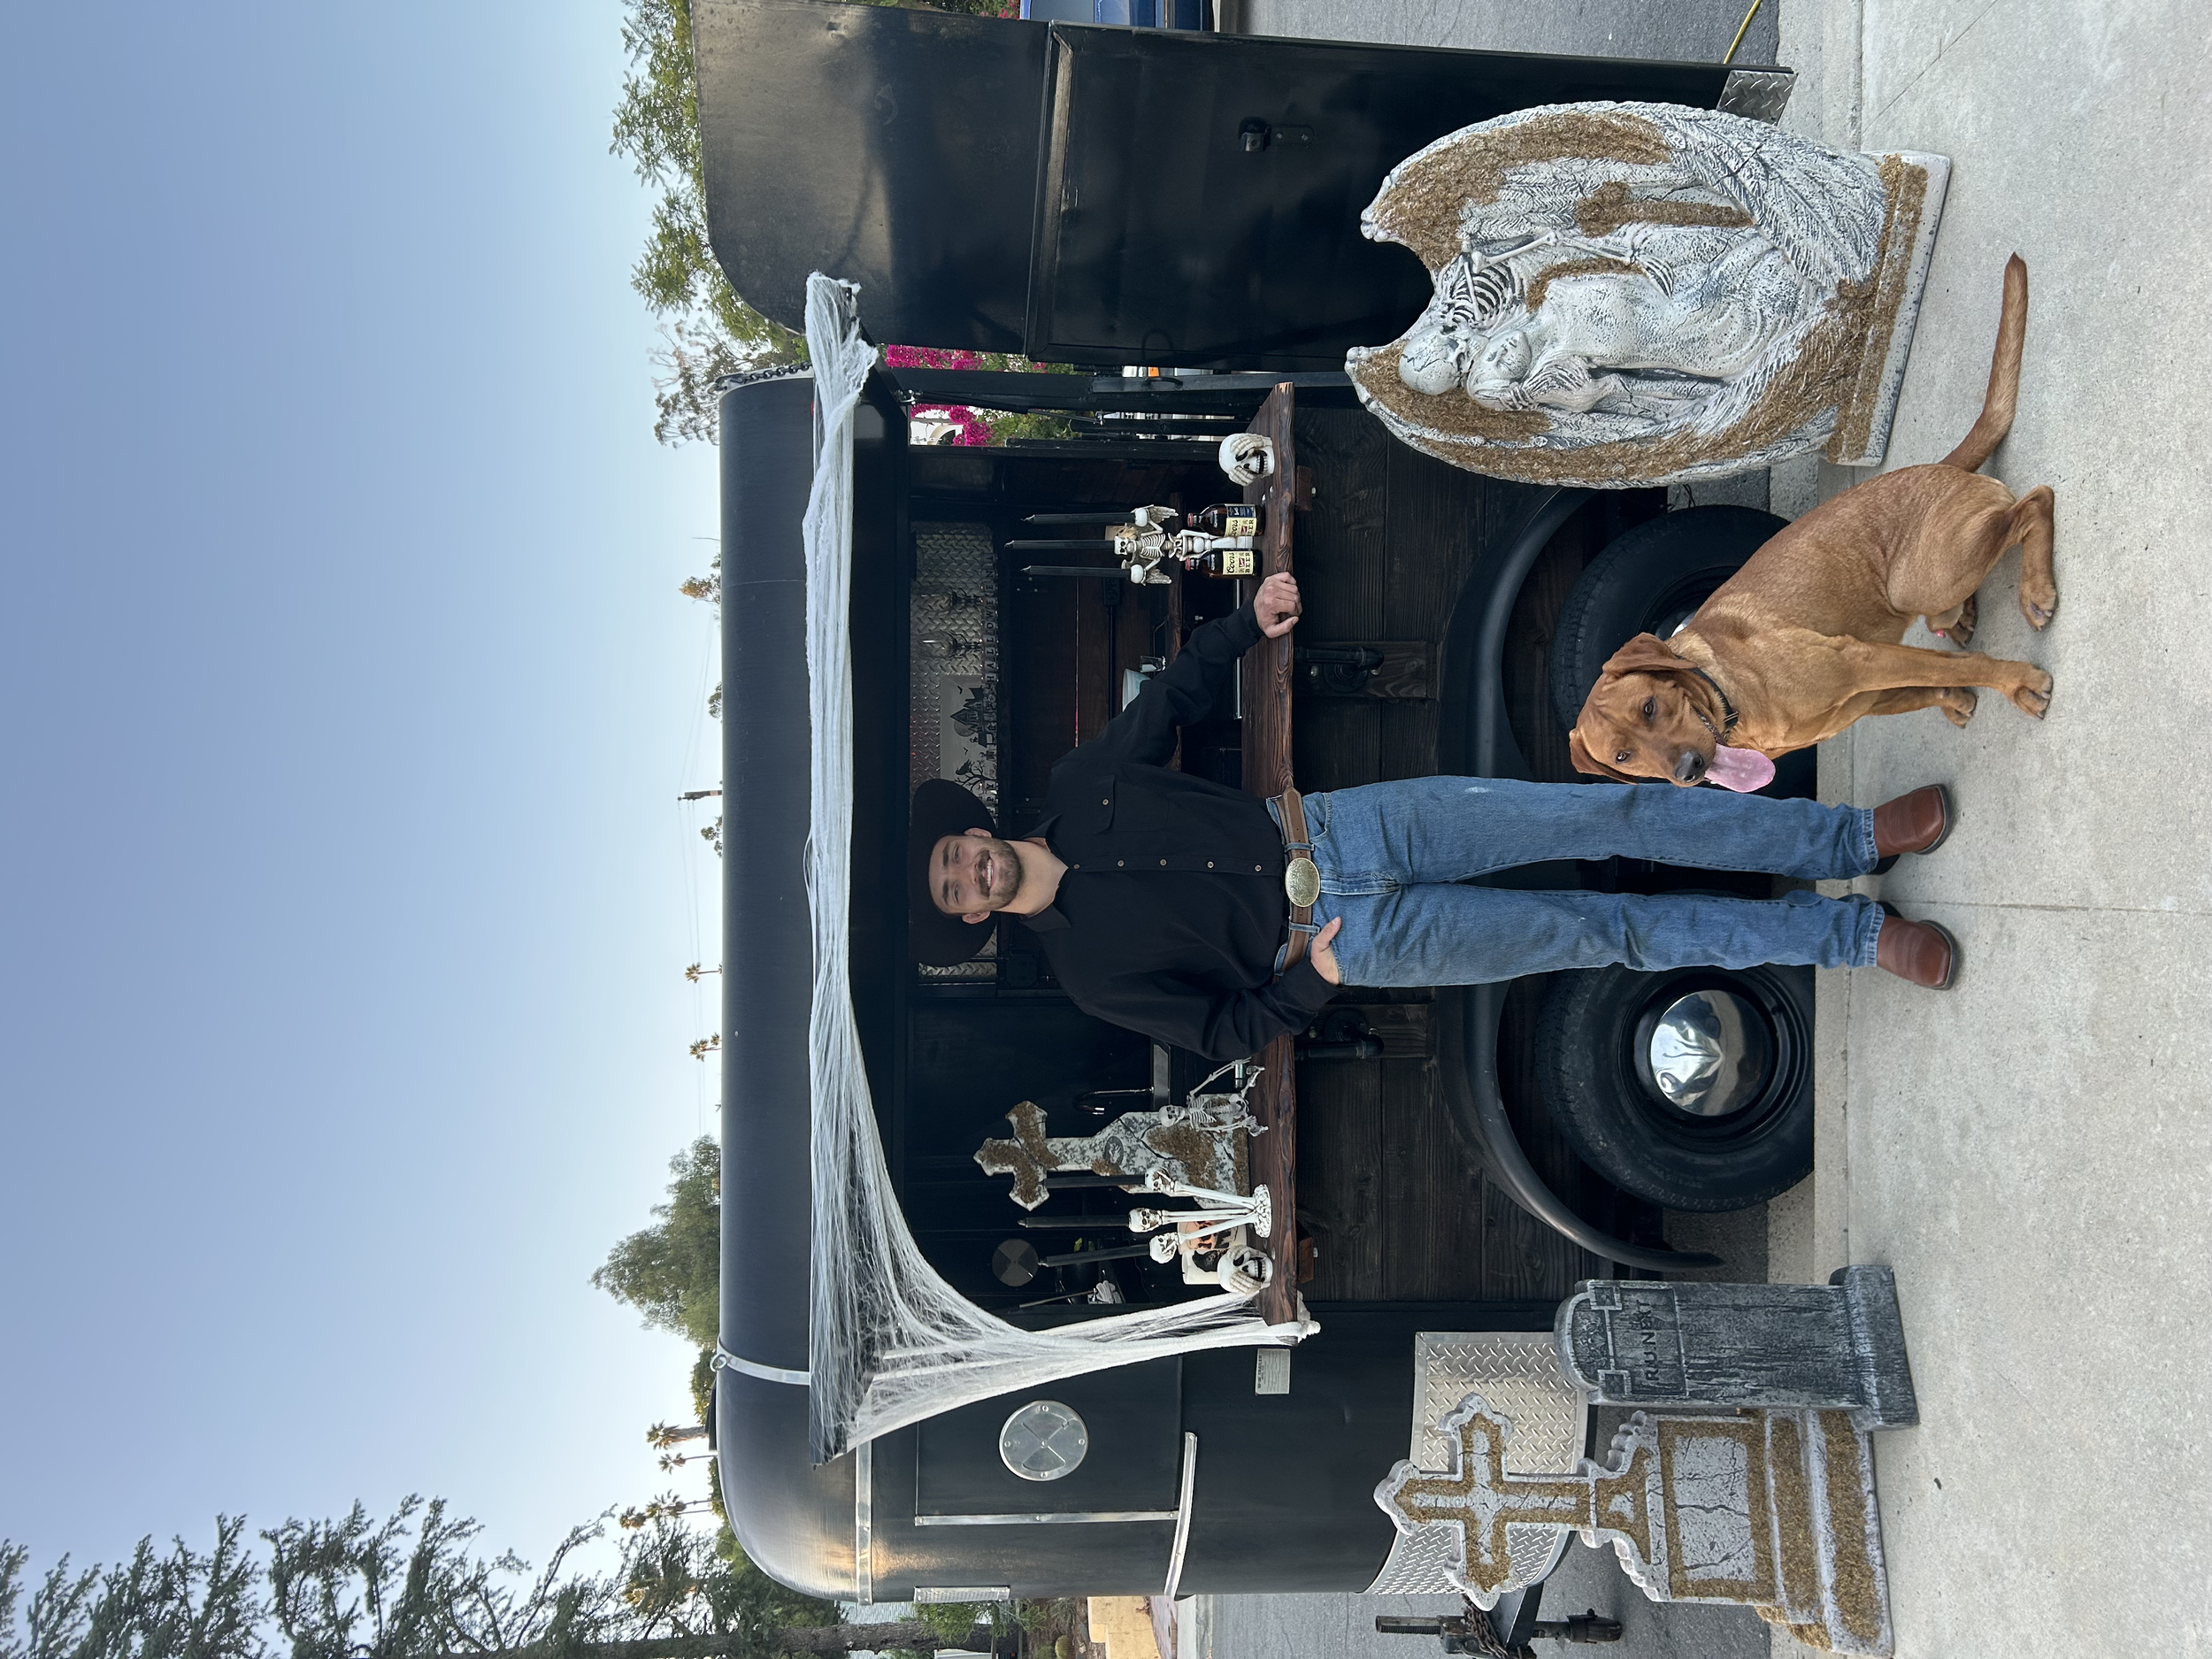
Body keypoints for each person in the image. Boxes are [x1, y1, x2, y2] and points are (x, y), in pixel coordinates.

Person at [908, 572, 1958, 1063]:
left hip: (1346, 831)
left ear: (976, 828)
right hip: (1348, 940)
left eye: (958, 853)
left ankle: (1851, 840)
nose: (970, 872)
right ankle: (1852, 937)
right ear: (973, 916)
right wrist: (1313, 979)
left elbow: (1174, 700)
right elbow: (1222, 1031)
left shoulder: (1084, 780)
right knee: (1606, 932)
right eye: (957, 890)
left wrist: (1246, 623)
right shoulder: (1091, 978)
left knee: (1607, 814)